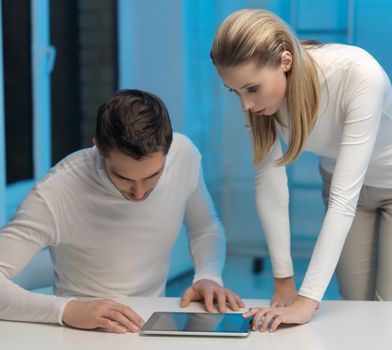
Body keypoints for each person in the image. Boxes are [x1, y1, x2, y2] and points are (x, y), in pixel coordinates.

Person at [0, 89, 244, 333]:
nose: (139, 193)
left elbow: (205, 227)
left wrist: (208, 275)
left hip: (152, 326)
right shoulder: (56, 192)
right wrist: (68, 310)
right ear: (98, 147)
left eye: (152, 176)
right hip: (81, 331)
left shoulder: (184, 155)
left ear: (168, 148)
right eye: (122, 176)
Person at [210, 9, 392, 332]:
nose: (246, 106)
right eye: (235, 92)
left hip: (379, 184)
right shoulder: (257, 102)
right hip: (341, 183)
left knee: (386, 306)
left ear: (285, 61)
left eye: (251, 89)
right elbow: (269, 182)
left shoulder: (361, 75)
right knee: (355, 304)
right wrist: (284, 280)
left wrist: (307, 301)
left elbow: (342, 200)